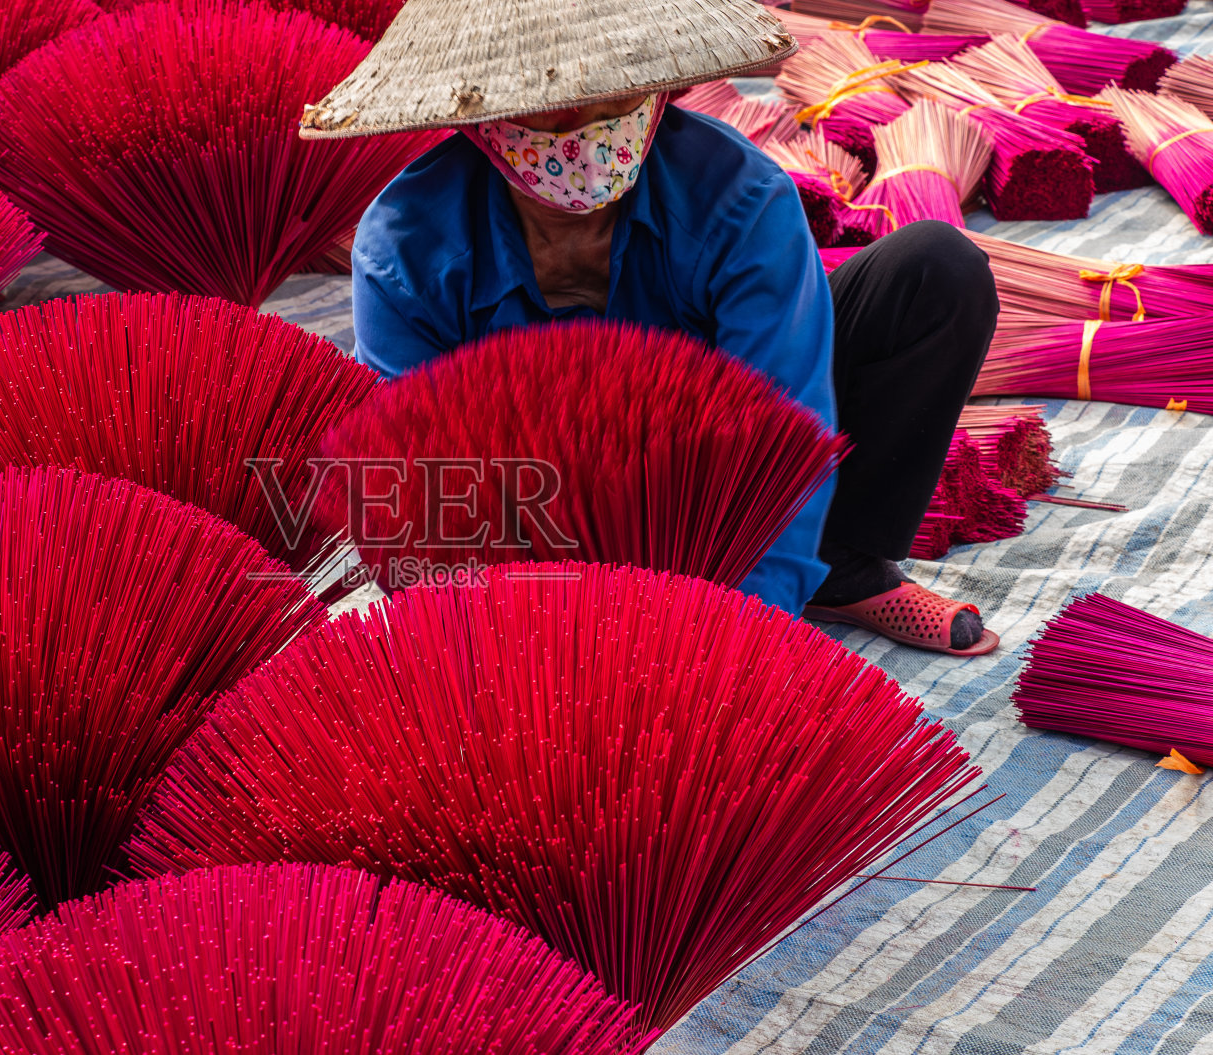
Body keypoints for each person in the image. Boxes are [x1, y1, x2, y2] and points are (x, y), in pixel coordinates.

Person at [298, 0, 1000, 656]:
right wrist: (509, 643)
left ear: (663, 92)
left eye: (615, 98)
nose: (586, 129)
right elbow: (416, 488)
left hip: (710, 460)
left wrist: (744, 635)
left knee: (936, 270)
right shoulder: (408, 249)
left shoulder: (741, 198)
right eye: (552, 107)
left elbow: (785, 437)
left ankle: (837, 569)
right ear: (481, 119)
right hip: (535, 506)